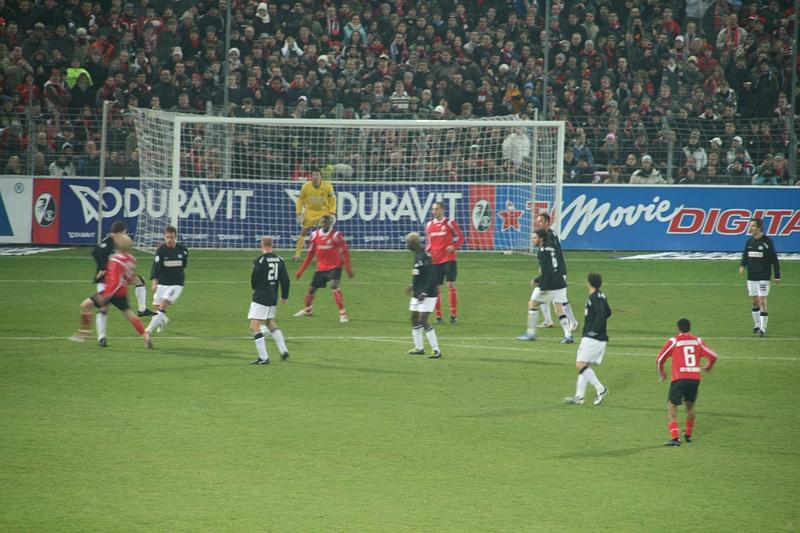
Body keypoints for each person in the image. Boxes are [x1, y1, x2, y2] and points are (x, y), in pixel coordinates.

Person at [69, 234, 152, 349]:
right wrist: (106, 274)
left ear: (118, 246)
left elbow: (115, 280)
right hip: (122, 292)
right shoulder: (132, 260)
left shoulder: (115, 259)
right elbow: (127, 277)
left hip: (110, 292)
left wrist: (107, 295)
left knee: (85, 306)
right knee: (130, 315)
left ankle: (84, 333)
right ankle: (145, 336)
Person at [91, 220, 153, 347]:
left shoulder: (121, 245)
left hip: (118, 282)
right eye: (124, 232)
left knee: (139, 281)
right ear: (118, 232)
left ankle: (142, 309)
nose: (125, 235)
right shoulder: (108, 242)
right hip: (105, 282)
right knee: (107, 308)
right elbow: (96, 252)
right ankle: (102, 337)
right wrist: (103, 268)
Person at [657, 318, 718, 447]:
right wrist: (708, 367)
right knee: (690, 405)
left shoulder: (675, 341)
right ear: (690, 328)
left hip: (679, 378)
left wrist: (662, 372)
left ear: (678, 328)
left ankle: (675, 438)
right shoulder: (697, 341)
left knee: (672, 405)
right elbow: (713, 356)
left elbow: (660, 359)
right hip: (694, 379)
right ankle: (688, 434)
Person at [516, 229, 575, 343]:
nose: (533, 240)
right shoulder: (552, 248)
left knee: (532, 304)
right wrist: (538, 279)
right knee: (559, 309)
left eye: (535, 238)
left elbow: (547, 271)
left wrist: (542, 286)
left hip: (550, 284)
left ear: (541, 239)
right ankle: (568, 336)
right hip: (560, 282)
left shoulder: (542, 251)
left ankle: (531, 333)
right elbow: (555, 267)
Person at [294, 215, 353, 322]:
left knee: (334, 285)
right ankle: (308, 310)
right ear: (320, 224)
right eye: (322, 222)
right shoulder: (314, 235)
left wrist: (348, 268)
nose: (324, 224)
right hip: (321, 268)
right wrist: (300, 271)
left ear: (330, 223)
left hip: (335, 266)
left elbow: (345, 252)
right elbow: (310, 255)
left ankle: (343, 313)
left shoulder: (336, 236)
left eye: (326, 222)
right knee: (311, 290)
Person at [564, 273, 611, 405]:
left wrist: (593, 330)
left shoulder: (594, 297)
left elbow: (602, 314)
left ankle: (600, 389)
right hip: (598, 337)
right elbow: (608, 312)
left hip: (593, 338)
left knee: (580, 364)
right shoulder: (601, 295)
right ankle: (579, 396)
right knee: (584, 365)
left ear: (589, 283)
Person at [249, 236, 290, 365]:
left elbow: (254, 281)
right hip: (273, 297)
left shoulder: (260, 261)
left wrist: (257, 289)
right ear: (272, 245)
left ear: (262, 245)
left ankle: (263, 357)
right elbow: (285, 280)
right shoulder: (280, 260)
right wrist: (284, 296)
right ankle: (284, 351)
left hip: (261, 297)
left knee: (254, 326)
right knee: (270, 323)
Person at [536, 213, 579, 331]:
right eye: (537, 221)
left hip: (558, 272)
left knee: (558, 300)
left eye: (540, 221)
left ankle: (573, 322)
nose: (538, 223)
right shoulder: (545, 235)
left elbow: (553, 256)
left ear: (547, 222)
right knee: (542, 291)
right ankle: (548, 321)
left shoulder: (550, 237)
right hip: (551, 272)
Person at [739, 218, 781, 336]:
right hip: (751, 276)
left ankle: (763, 328)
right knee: (754, 301)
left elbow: (774, 260)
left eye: (753, 226)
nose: (750, 228)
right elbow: (745, 256)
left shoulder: (767, 242)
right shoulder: (749, 241)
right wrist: (742, 265)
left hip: (764, 276)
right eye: (750, 225)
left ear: (759, 228)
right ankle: (757, 325)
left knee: (762, 301)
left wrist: (777, 276)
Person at [425, 201, 464, 325]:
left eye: (437, 209)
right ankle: (438, 316)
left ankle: (453, 315)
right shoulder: (429, 225)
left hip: (449, 259)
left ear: (442, 209)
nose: (434, 211)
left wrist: (454, 246)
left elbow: (461, 237)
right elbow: (429, 243)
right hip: (435, 260)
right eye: (433, 209)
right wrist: (425, 254)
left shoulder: (450, 223)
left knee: (450, 284)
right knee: (437, 287)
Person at [145, 226, 189, 336]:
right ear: (164, 237)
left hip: (176, 283)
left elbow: (183, 265)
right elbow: (156, 267)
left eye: (172, 237)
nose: (169, 240)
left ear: (175, 237)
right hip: (162, 282)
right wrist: (154, 282)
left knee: (163, 305)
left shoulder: (183, 250)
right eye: (167, 237)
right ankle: (164, 321)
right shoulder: (160, 250)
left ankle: (147, 331)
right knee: (156, 310)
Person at [405, 232, 442, 359]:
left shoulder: (424, 256)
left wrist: (425, 292)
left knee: (422, 320)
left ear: (414, 243)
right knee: (414, 319)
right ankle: (419, 348)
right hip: (417, 293)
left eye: (408, 243)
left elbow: (432, 276)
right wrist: (412, 286)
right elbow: (420, 275)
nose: (407, 245)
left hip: (428, 294)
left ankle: (436, 350)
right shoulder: (417, 256)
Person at [293, 169, 336, 261]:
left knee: (326, 233)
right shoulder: (306, 186)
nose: (315, 177)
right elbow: (300, 199)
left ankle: (328, 254)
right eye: (313, 175)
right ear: (311, 177)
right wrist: (299, 213)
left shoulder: (328, 186)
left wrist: (332, 213)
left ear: (321, 177)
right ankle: (297, 254)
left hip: (324, 212)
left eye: (317, 175)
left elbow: (332, 200)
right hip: (310, 212)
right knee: (303, 232)